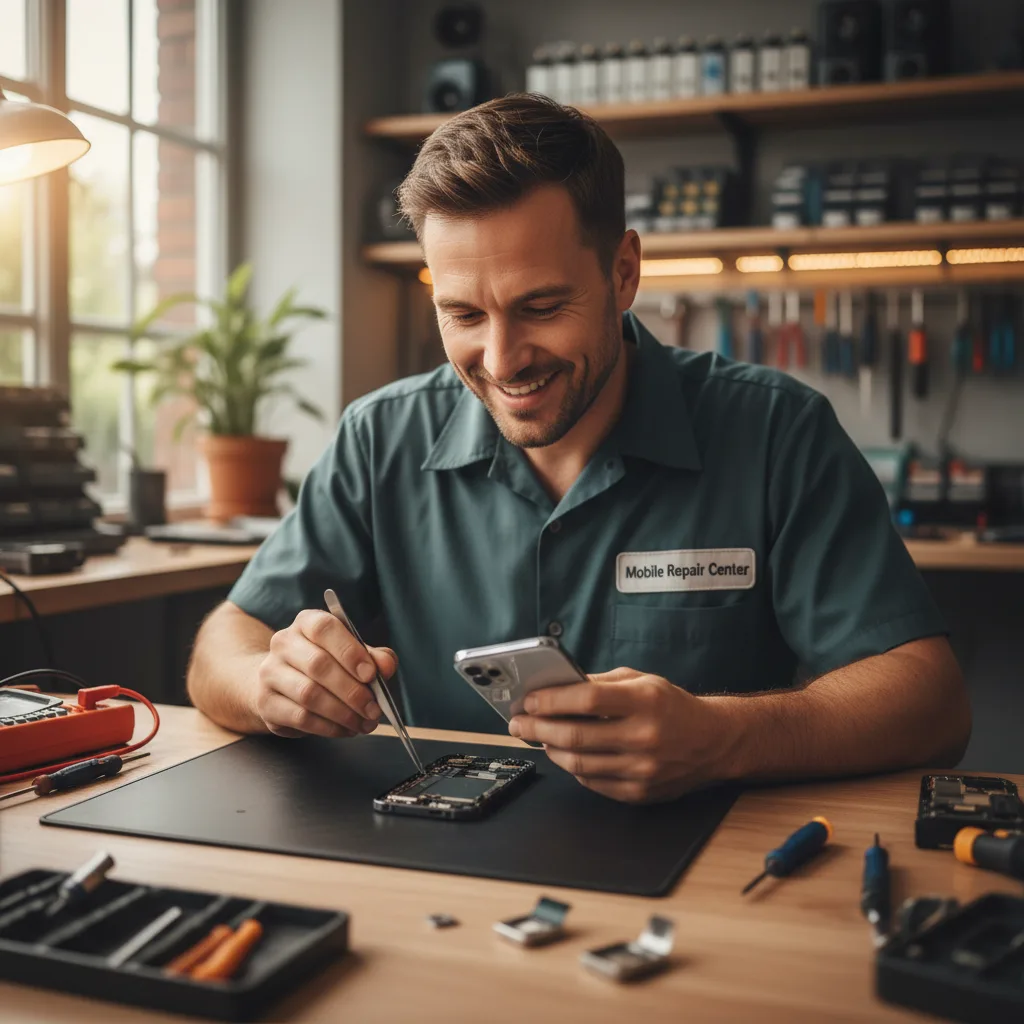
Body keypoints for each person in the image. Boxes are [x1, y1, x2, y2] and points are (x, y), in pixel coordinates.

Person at [188, 94, 970, 804]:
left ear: (624, 273)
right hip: (438, 872)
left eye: (541, 306)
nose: (501, 360)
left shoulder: (776, 432)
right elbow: (222, 645)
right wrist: (271, 682)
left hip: (700, 883)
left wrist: (724, 735)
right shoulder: (379, 438)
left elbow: (928, 700)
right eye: (463, 314)